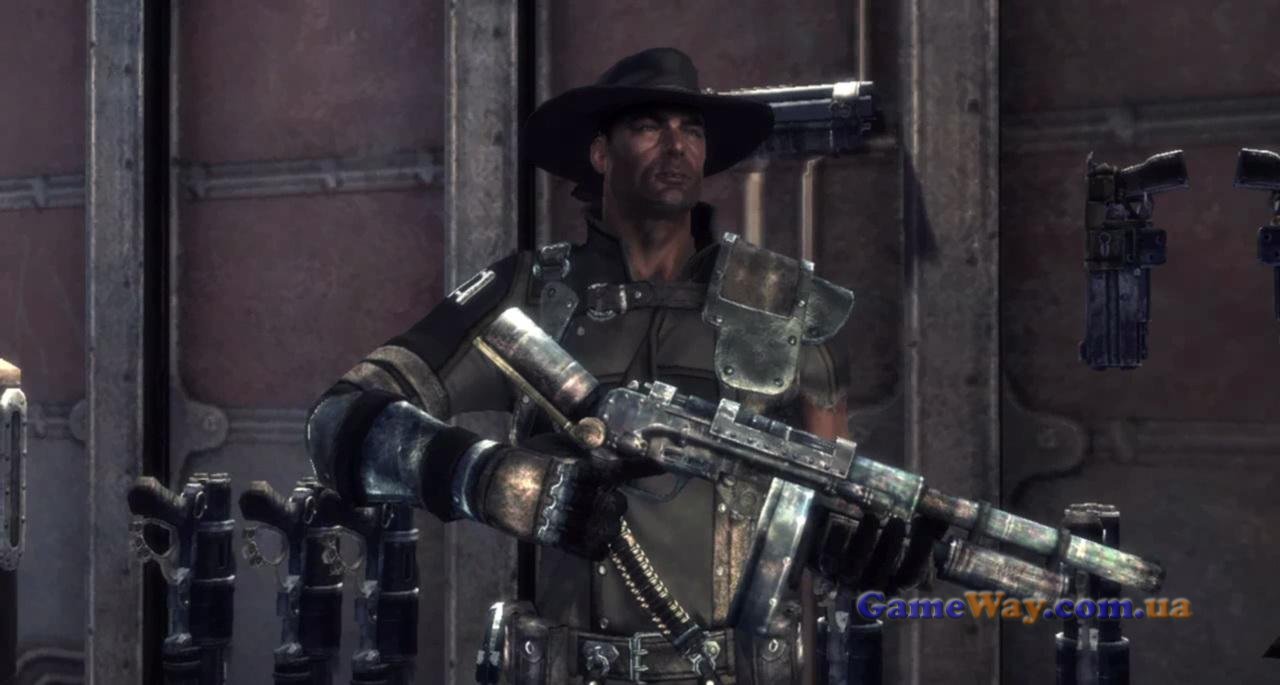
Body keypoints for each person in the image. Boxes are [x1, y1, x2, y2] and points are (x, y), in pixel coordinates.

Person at [306, 47, 896, 684]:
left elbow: (837, 500)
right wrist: (492, 480)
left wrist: (863, 544)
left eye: (692, 130)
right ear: (600, 153)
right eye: (648, 127)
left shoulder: (781, 304)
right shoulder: (530, 295)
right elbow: (339, 422)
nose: (676, 146)